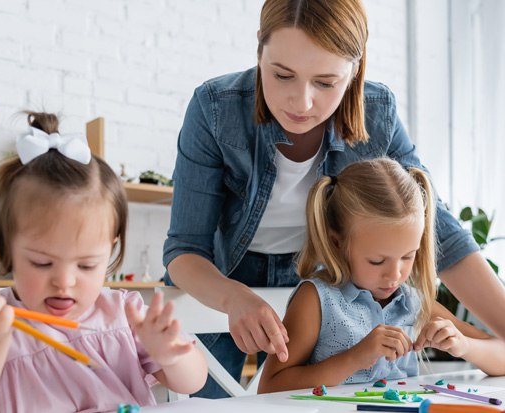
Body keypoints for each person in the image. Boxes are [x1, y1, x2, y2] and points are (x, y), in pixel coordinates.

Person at [163, 0, 505, 399]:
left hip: (323, 273)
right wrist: (235, 296)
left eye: (325, 82)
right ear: (259, 49)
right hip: (222, 279)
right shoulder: (215, 109)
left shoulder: (377, 113)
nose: (302, 102)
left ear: (356, 69)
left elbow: (441, 234)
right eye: (282, 74)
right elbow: (185, 250)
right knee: (206, 401)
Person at [0, 112, 207, 412]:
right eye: (41, 263)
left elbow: (193, 383)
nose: (64, 282)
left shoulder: (123, 315)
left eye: (87, 265)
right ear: (7, 247)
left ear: (112, 247)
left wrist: (170, 355)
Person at [257, 158, 505, 392]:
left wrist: (464, 345)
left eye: (408, 257)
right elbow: (270, 386)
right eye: (377, 261)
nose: (395, 275)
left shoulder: (412, 301)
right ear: (336, 243)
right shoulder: (317, 299)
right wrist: (354, 358)